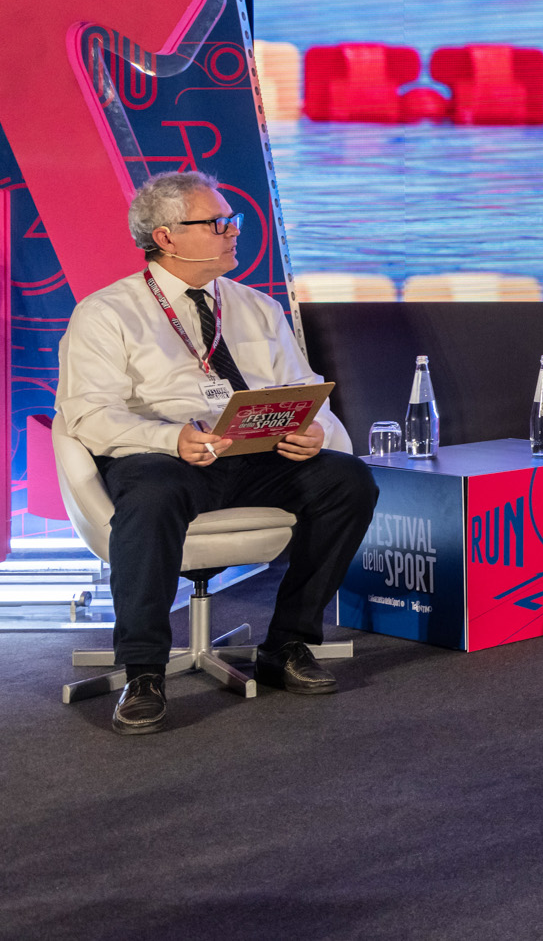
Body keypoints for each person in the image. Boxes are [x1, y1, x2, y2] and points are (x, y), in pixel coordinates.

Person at [54, 171, 378, 735]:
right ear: (166, 237)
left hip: (255, 454)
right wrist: (169, 439)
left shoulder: (256, 307)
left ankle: (290, 643)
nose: (233, 233)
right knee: (152, 493)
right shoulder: (106, 312)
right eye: (218, 223)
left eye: (233, 221)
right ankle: (144, 671)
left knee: (348, 480)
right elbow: (87, 415)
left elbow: (305, 388)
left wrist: (315, 431)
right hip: (161, 455)